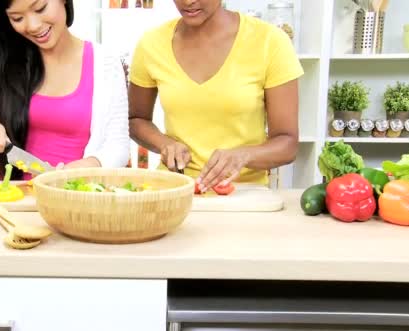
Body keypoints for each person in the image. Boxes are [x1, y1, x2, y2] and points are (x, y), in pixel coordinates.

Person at [0, 0, 129, 180]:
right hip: (10, 202)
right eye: (17, 18)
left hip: (76, 198)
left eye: (41, 8)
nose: (34, 25)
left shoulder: (105, 62)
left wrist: (85, 167)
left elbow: (117, 146)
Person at [128, 0, 304, 192]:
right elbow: (136, 120)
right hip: (177, 189)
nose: (188, 1)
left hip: (244, 194)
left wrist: (243, 155)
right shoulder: (151, 44)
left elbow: (287, 143)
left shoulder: (269, 41)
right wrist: (165, 144)